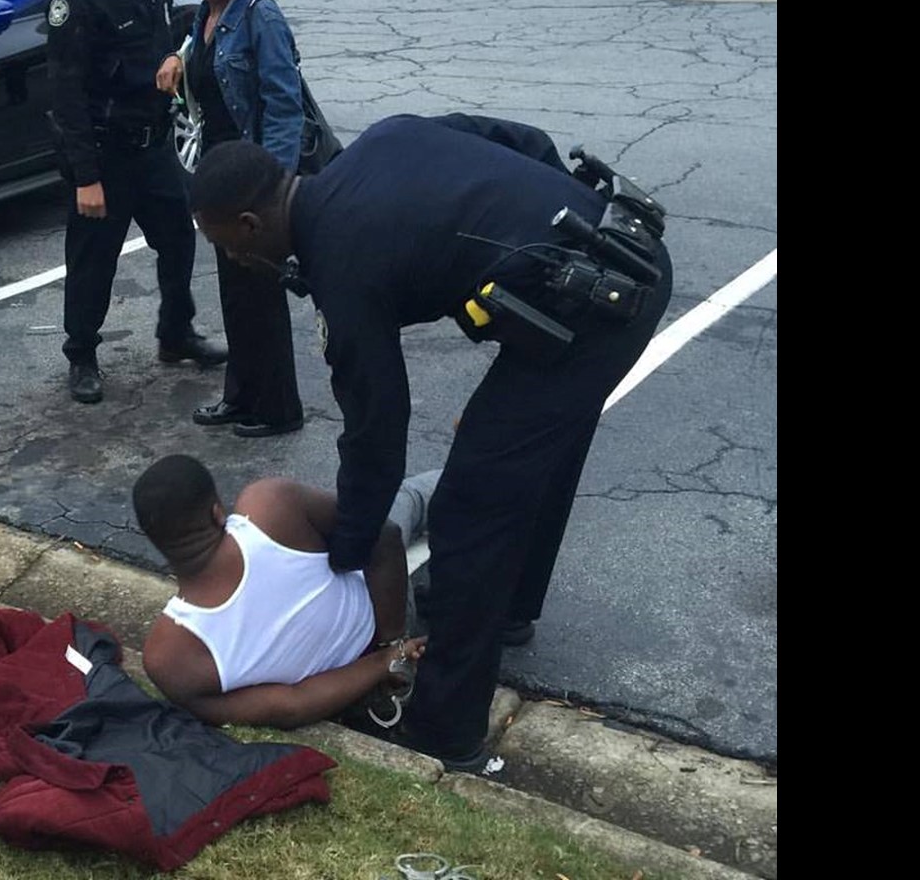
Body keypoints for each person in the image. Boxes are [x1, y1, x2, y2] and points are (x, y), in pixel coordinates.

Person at [186, 115, 674, 772]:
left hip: (603, 303)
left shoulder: (340, 262)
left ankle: (447, 731)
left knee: (471, 506)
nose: (241, 262)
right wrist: (556, 225)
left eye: (234, 250)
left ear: (250, 225)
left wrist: (348, 552)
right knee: (529, 452)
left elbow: (376, 429)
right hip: (617, 245)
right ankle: (509, 611)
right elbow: (520, 141)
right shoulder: (382, 140)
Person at [46, 0, 227, 404]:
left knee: (177, 239)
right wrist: (85, 178)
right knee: (92, 261)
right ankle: (81, 355)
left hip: (152, 146)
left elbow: (164, 31)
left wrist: (174, 54)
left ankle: (175, 334)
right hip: (102, 154)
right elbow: (66, 96)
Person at [132, 453, 438, 729]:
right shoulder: (269, 505)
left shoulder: (169, 656)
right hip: (382, 617)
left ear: (154, 540)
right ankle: (480, 463)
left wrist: (386, 663)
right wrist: (393, 642)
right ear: (217, 513)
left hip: (344, 694)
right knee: (406, 498)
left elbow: (291, 706)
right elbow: (383, 535)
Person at [155, 0, 306, 438]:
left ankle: (279, 409)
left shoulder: (260, 15)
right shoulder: (206, 14)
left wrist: (273, 193)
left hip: (254, 180)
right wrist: (177, 54)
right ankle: (242, 397)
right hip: (221, 173)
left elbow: (284, 108)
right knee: (236, 297)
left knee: (262, 298)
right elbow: (203, 56)